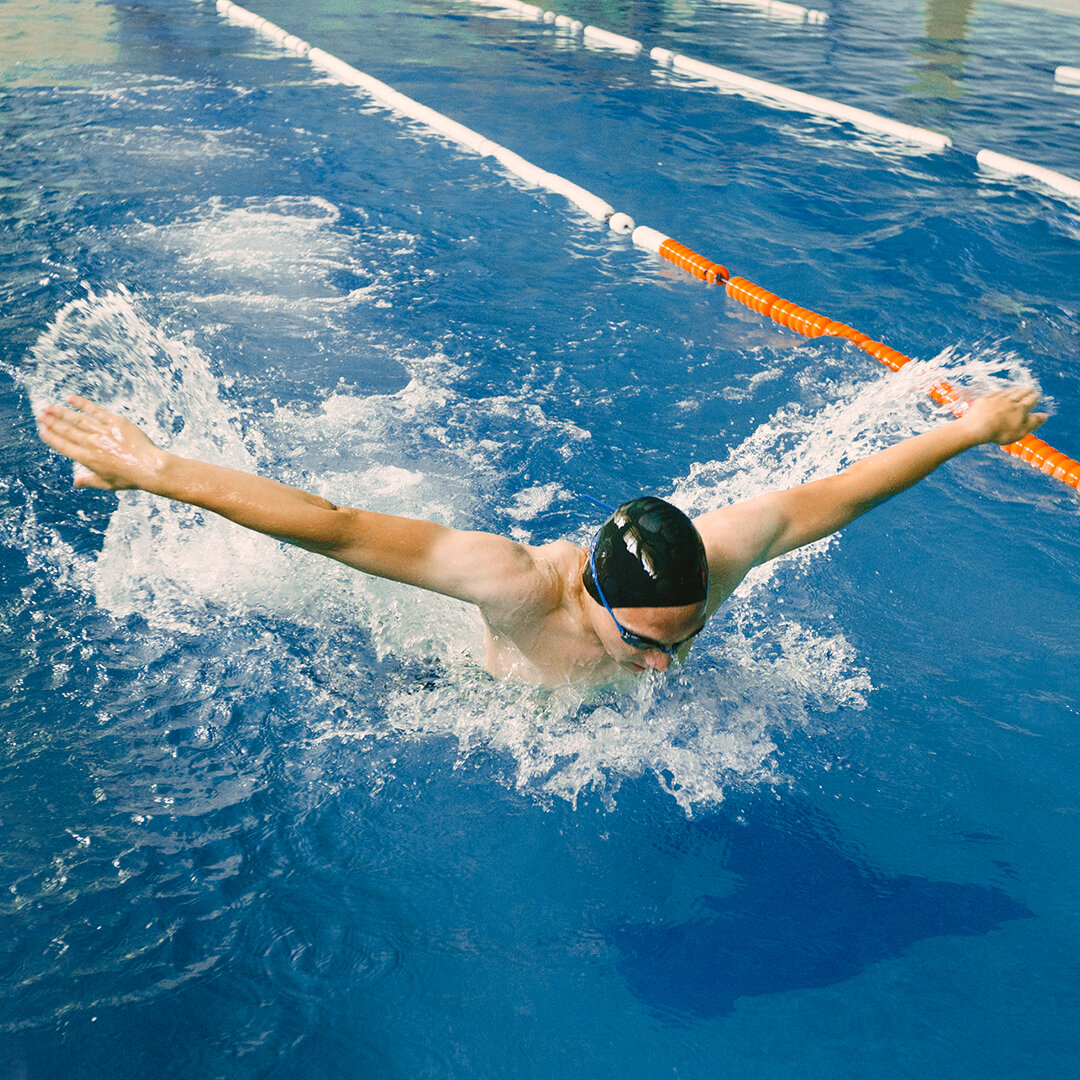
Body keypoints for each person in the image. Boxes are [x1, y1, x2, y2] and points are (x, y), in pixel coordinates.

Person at [36, 387, 1046, 686]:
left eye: (683, 640)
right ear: (589, 600)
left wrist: (963, 431)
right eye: (644, 643)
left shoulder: (714, 561)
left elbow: (835, 496)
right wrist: (158, 470)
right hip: (466, 691)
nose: (664, 667)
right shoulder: (516, 584)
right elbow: (335, 530)